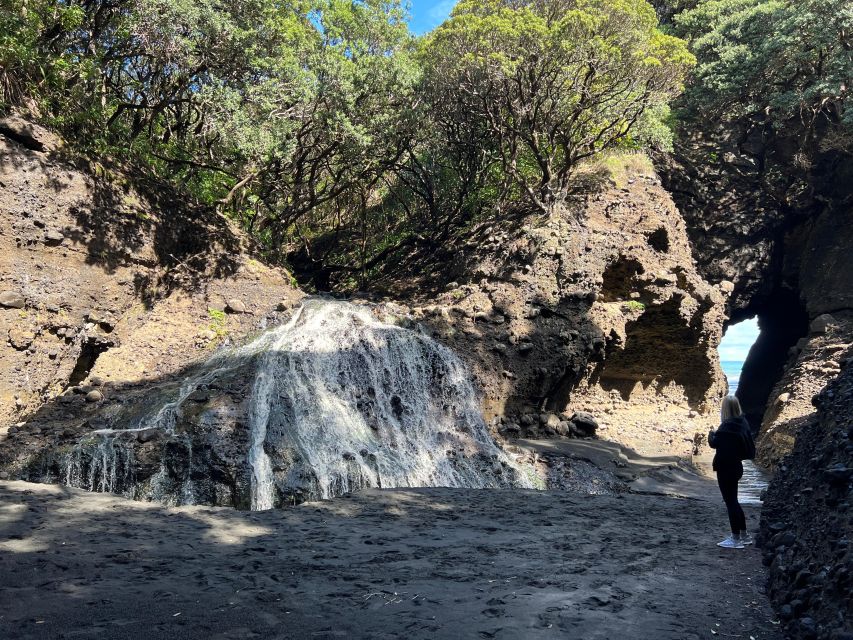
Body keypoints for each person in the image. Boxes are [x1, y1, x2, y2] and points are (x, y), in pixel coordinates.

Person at [708, 396, 756, 549]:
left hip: (725, 468)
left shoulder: (726, 426)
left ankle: (735, 539)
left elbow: (715, 443)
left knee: (730, 502)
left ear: (725, 409)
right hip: (736, 466)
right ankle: (744, 535)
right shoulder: (742, 423)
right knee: (734, 501)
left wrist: (711, 434)